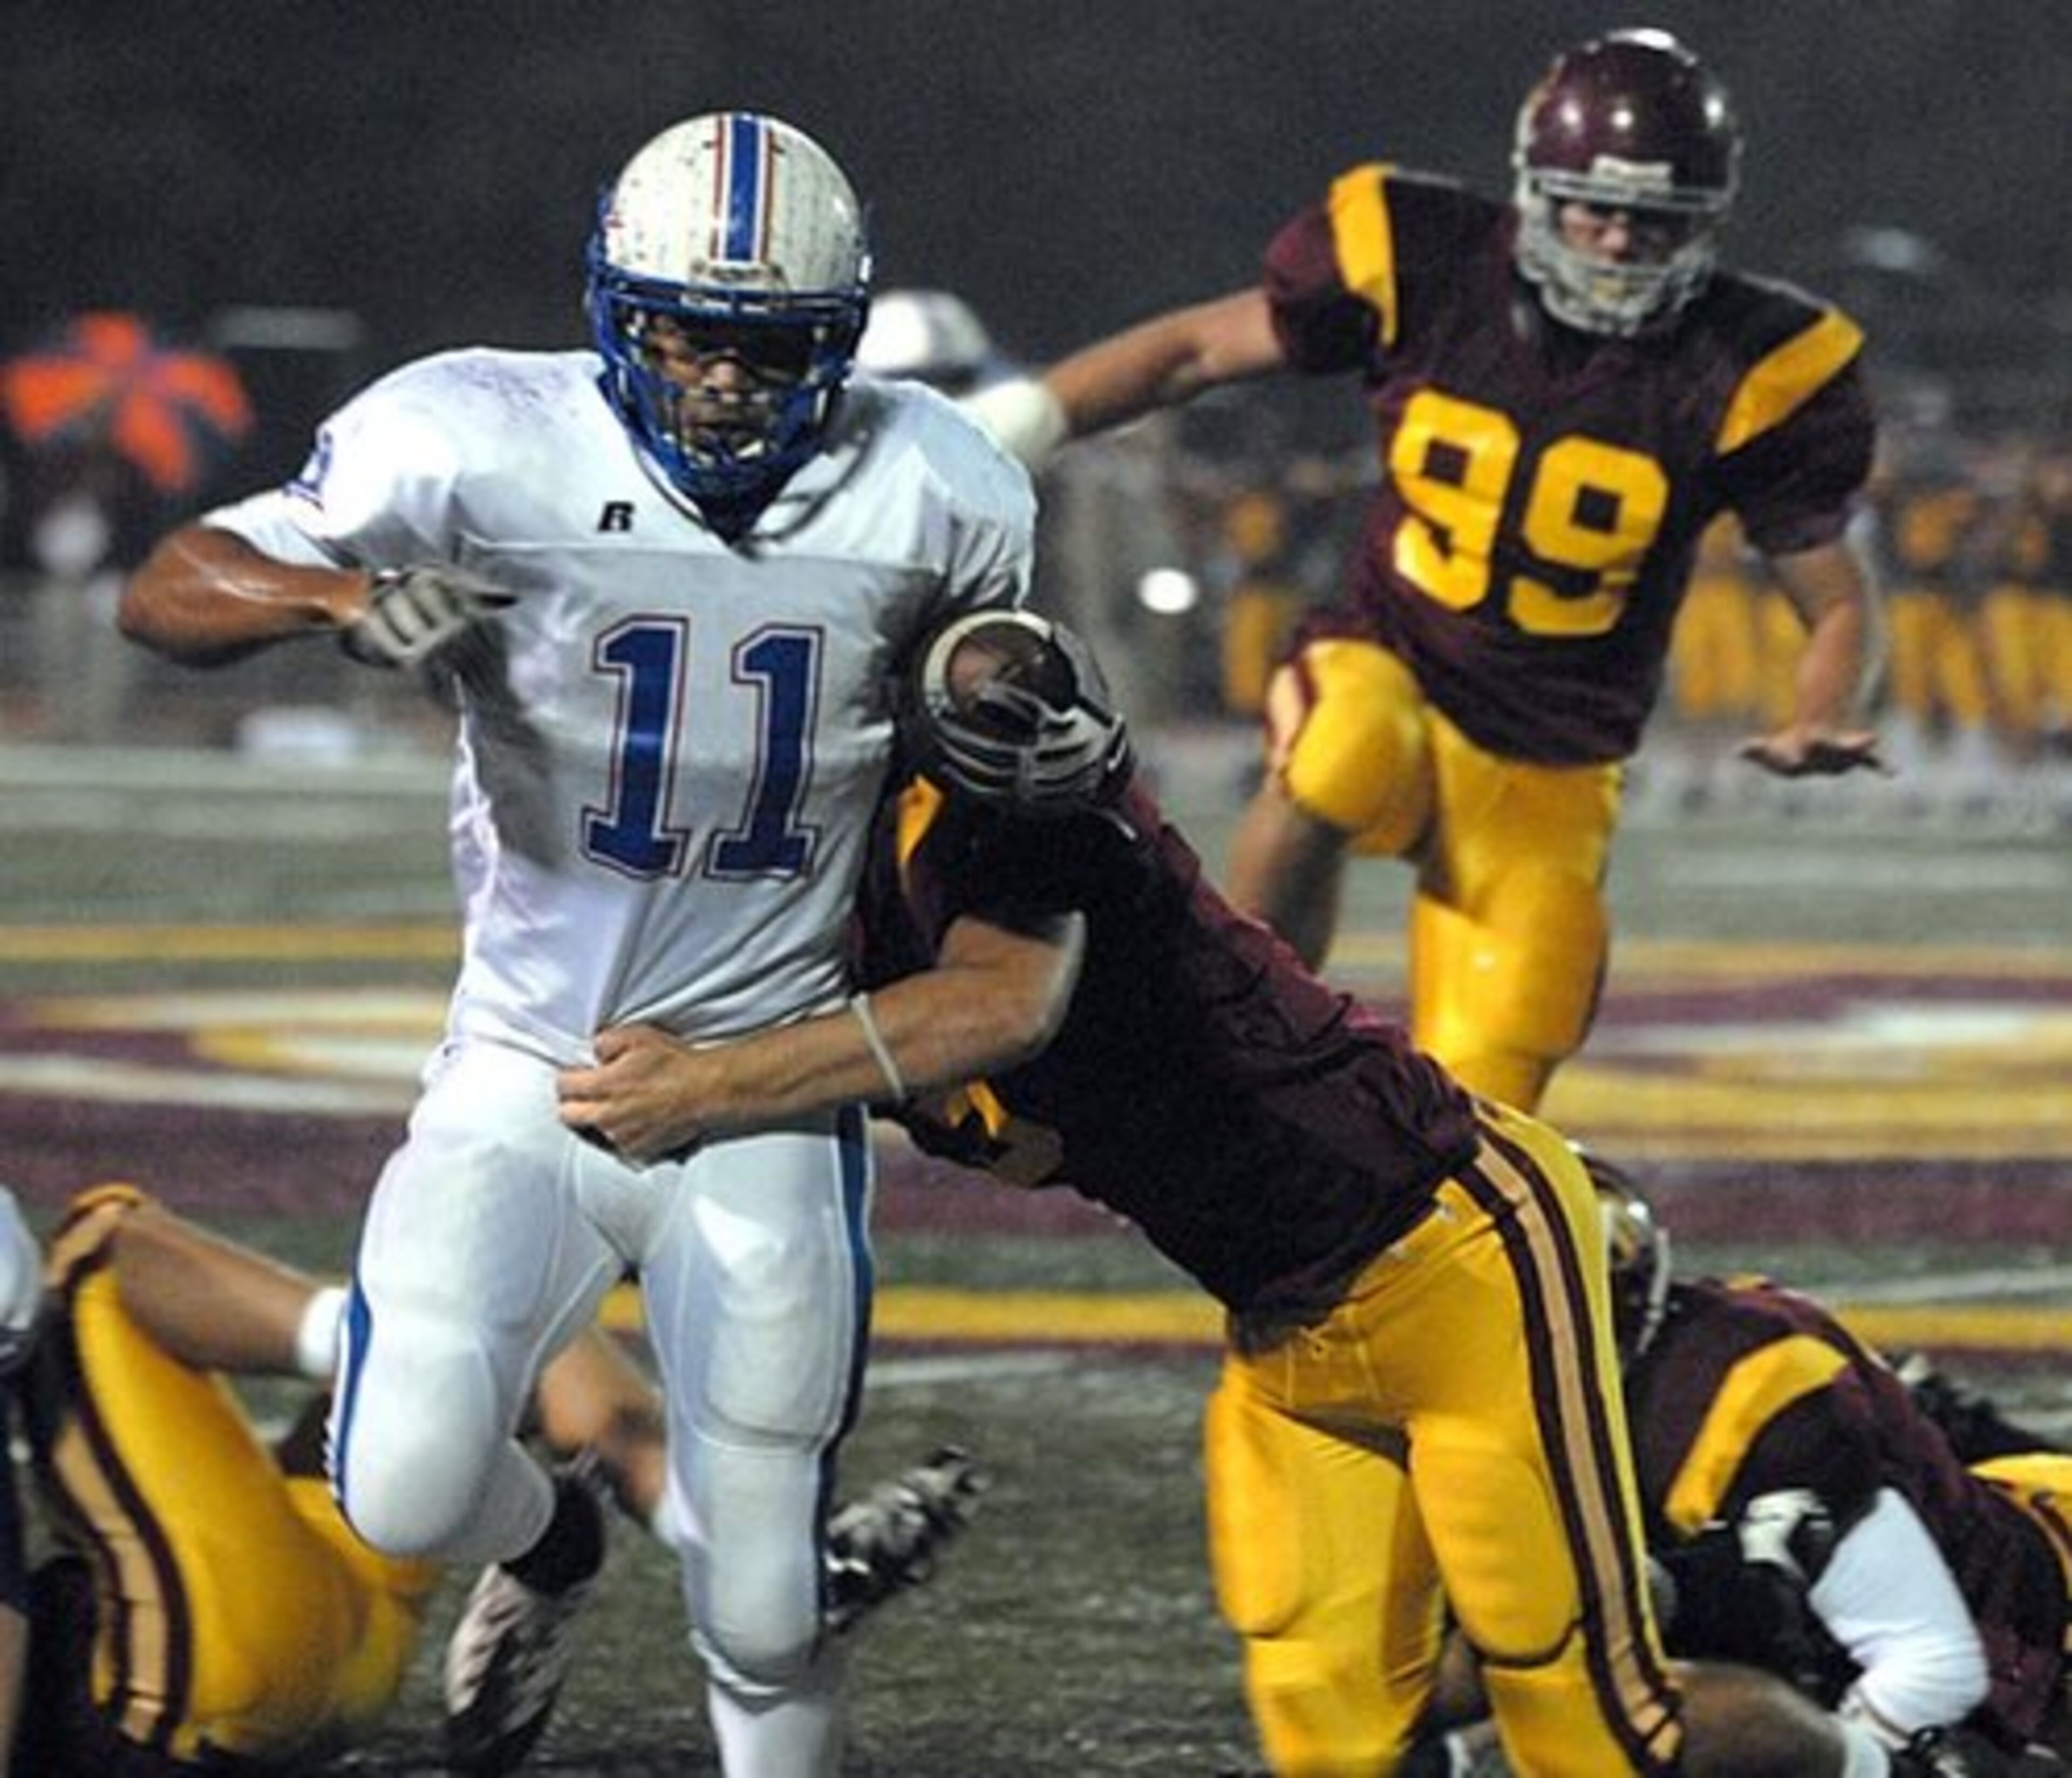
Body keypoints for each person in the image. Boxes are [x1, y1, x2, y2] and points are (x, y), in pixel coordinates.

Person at [553, 607, 1953, 1778]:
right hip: (1287, 1318)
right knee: (1337, 1727)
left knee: (1591, 1722)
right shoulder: (846, 907)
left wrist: (709, 1080)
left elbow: (1000, 1011)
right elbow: (979, 1097)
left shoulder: (1042, 837)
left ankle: (1870, 1751)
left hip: (1455, 1245)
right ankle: (1661, 1597)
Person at [117, 110, 1033, 1778]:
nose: (722, 383)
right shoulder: (474, 433)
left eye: (764, 348)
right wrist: (332, 606)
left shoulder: (942, 485)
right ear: (616, 310)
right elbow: (173, 584)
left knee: (761, 1606)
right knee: (396, 1480)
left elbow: (966, 770)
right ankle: (547, 1542)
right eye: (685, 334)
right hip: (523, 1066)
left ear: (832, 342)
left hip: (755, 1085)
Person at [964, 27, 1887, 1113]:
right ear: (1535, 191)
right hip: (1391, 656)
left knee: (1489, 1087)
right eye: (1594, 207)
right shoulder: (1429, 262)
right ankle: (1227, 1026)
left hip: (1554, 760)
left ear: (1706, 227)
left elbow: (1834, 598)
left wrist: (1825, 709)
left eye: (1653, 222)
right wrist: (1009, 427)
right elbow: (1193, 351)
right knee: (1341, 752)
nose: (1617, 242)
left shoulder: (1756, 365)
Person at [0, 1181, 978, 1775]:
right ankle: (709, 1536)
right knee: (99, 1251)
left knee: (473, 1298)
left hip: (260, 1659)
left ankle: (575, 1534)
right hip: (194, 1670)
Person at [1592, 1159, 2071, 1770]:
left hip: (2021, 1632)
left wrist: (1857, 1757)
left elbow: (1932, 1664)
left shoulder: (1729, 1393)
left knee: (1716, 1717)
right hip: (1923, 1553)